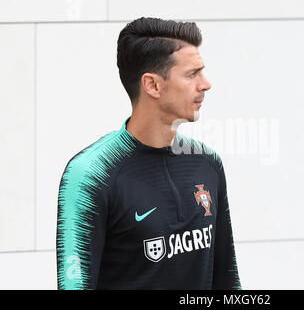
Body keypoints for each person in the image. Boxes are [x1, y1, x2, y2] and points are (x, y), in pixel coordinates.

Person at [56, 17, 241, 290]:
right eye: (192, 74)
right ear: (152, 85)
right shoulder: (90, 174)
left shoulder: (207, 162)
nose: (206, 84)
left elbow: (227, 280)